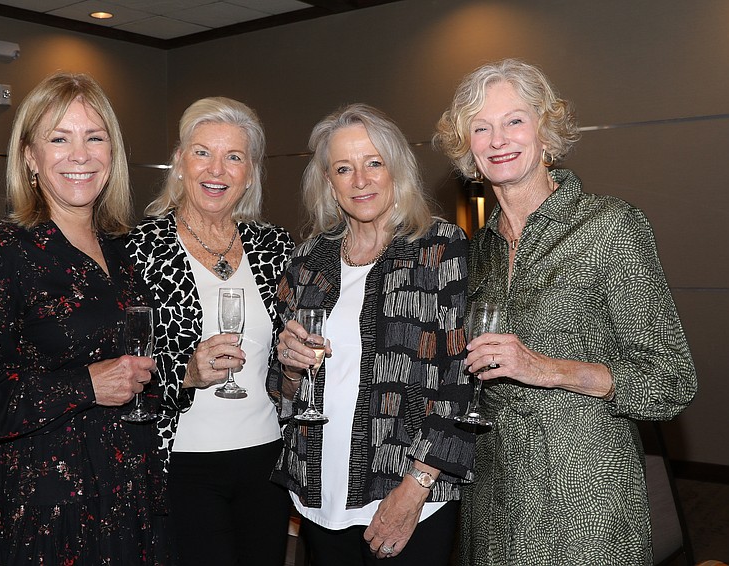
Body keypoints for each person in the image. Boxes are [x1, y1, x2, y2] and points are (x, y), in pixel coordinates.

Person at [433, 58, 698, 565]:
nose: (497, 140)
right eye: (480, 128)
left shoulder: (609, 228)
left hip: (586, 505)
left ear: (546, 133)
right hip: (493, 505)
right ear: (467, 148)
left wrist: (547, 369)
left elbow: (672, 382)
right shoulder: (478, 252)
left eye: (515, 121)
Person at [0, 72, 166, 564]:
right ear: (29, 157)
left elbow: (128, 371)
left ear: (113, 152)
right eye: (59, 138)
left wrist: (182, 375)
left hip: (128, 494)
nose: (79, 154)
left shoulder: (121, 251)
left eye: (94, 137)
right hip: (49, 511)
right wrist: (84, 386)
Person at [270, 103, 474, 565]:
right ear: (329, 182)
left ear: (396, 168)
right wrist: (287, 363)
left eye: (373, 163)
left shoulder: (439, 248)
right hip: (319, 492)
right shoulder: (307, 261)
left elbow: (462, 380)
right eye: (344, 168)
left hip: (407, 496)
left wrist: (415, 488)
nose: (360, 179)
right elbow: (278, 390)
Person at [127, 97, 295, 566]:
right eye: (202, 152)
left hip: (266, 458)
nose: (216, 169)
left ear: (250, 172)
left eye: (234, 156)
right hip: (179, 462)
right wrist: (184, 374)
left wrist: (300, 360)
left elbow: (287, 357)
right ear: (179, 161)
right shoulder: (138, 249)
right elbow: (116, 365)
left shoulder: (275, 246)